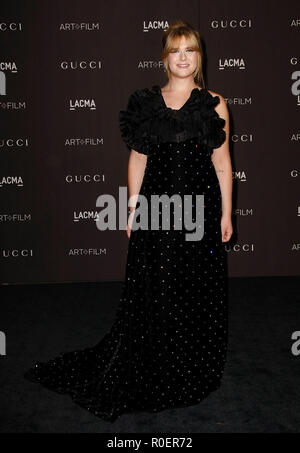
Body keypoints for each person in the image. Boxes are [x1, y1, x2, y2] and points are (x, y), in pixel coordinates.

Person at [24, 20, 233, 423]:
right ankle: (156, 356)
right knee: (157, 285)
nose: (184, 57)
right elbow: (137, 158)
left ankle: (192, 361)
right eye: (176, 50)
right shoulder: (145, 103)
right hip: (157, 208)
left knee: (196, 285)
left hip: (201, 210)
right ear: (165, 57)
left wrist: (225, 213)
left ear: (200, 56)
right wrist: (133, 208)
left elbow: (223, 166)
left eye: (191, 50)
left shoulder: (214, 102)